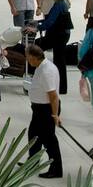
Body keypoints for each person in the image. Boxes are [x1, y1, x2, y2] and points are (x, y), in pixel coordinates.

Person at [25, 45, 62, 179]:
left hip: (46, 109)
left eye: (28, 58)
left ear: (34, 58)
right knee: (34, 135)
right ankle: (33, 162)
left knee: (49, 140)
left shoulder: (47, 71)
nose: (28, 60)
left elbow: (53, 95)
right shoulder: (41, 67)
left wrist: (55, 114)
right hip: (39, 109)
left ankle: (56, 168)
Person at [36, 0, 73, 96]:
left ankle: (58, 86)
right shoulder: (61, 4)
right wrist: (38, 24)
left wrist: (37, 28)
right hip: (62, 34)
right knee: (59, 60)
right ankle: (60, 87)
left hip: (59, 35)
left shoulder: (58, 5)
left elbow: (50, 22)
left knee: (58, 59)